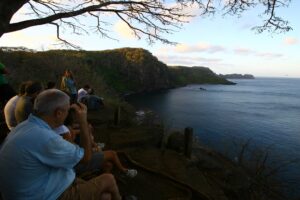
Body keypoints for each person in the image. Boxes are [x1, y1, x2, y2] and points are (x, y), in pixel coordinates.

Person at [0, 89, 123, 200]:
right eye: (68, 110)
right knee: (108, 179)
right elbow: (86, 158)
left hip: (30, 189)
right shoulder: (47, 138)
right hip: (41, 195)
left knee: (105, 197)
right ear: (58, 113)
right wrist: (83, 122)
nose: (68, 114)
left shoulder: (24, 126)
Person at [58, 108, 137, 178]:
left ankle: (104, 181)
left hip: (75, 160)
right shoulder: (65, 131)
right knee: (112, 154)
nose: (78, 116)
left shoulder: (64, 128)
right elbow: (76, 152)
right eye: (76, 115)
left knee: (108, 165)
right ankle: (124, 171)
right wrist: (92, 149)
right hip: (76, 164)